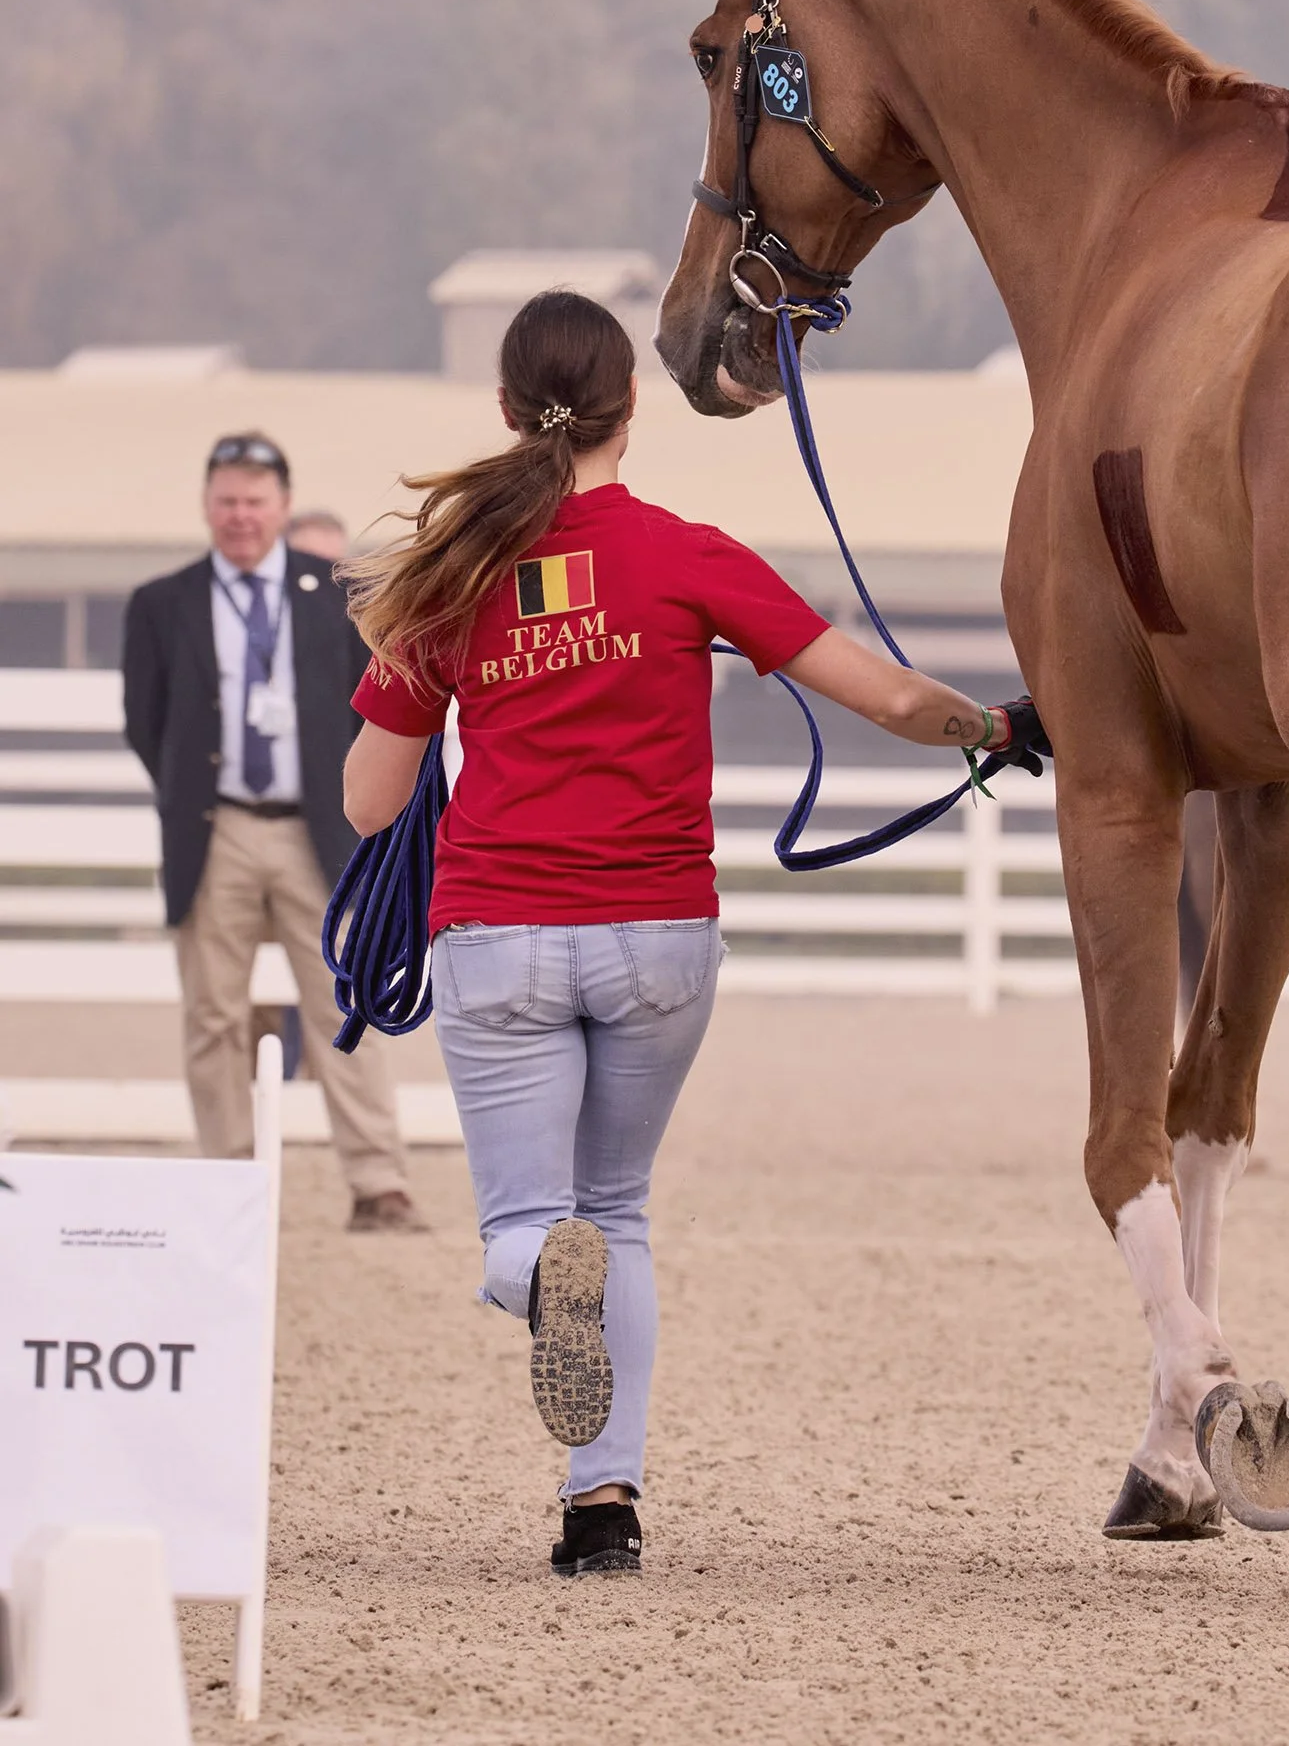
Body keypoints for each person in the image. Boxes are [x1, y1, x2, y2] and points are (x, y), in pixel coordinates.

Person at [341, 291, 1049, 1579]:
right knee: (615, 1210)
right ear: (630, 414)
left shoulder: (449, 575)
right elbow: (886, 693)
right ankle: (600, 1503)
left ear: (507, 412)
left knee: (533, 1224)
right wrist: (996, 729)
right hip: (659, 936)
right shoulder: (686, 554)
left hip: (500, 932)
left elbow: (369, 799)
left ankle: (530, 1278)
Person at [122, 432, 422, 1230]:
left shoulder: (333, 600)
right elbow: (145, 724)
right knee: (213, 1012)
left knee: (341, 1003)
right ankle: (225, 1187)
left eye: (255, 501)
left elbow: (370, 709)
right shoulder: (162, 602)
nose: (240, 516)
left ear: (283, 507)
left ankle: (377, 1182)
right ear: (207, 505)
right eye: (227, 501)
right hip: (214, 830)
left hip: (315, 831)